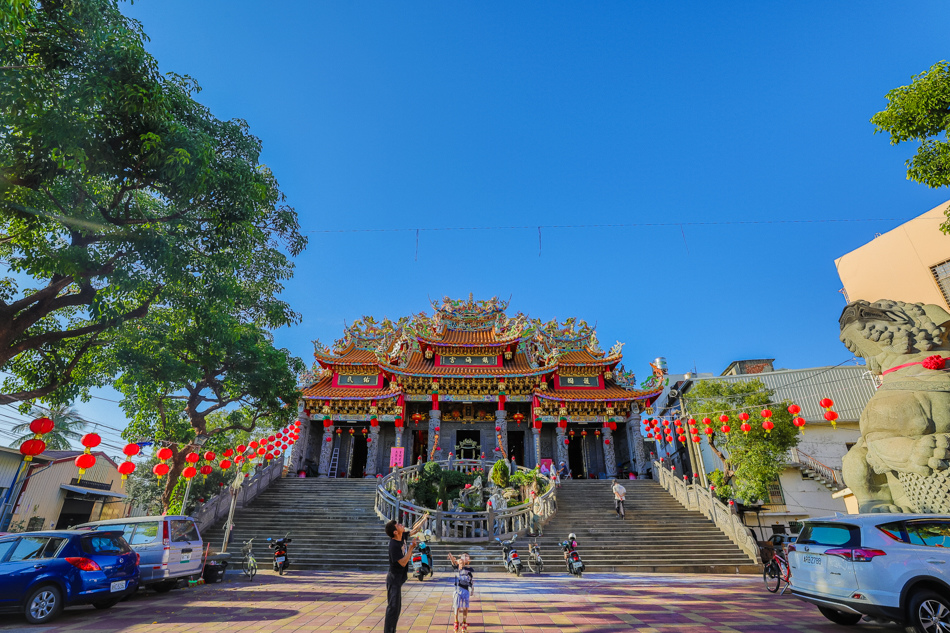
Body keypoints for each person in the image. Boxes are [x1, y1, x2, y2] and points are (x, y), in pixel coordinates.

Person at [384, 513, 429, 633]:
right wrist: (410, 549)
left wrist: (424, 519)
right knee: (393, 608)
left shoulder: (402, 536)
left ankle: (391, 630)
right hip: (393, 580)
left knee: (396, 608)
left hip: (398, 579)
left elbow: (415, 530)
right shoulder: (393, 545)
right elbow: (403, 563)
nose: (400, 524)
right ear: (395, 532)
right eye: (397, 525)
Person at [446, 551, 475, 632]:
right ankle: (456, 622)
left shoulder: (470, 569)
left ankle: (464, 623)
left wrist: (472, 588)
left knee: (465, 607)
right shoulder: (456, 567)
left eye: (467, 556)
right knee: (456, 606)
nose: (465, 557)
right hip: (457, 590)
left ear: (469, 560)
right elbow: (453, 561)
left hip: (466, 591)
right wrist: (451, 555)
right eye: (463, 556)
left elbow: (471, 580)